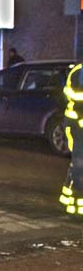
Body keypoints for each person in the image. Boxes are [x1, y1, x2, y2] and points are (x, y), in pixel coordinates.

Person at [60, 62, 83, 216]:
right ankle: (76, 204)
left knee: (77, 163)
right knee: (79, 164)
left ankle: (70, 199)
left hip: (76, 123)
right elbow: (77, 97)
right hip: (77, 124)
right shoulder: (79, 73)